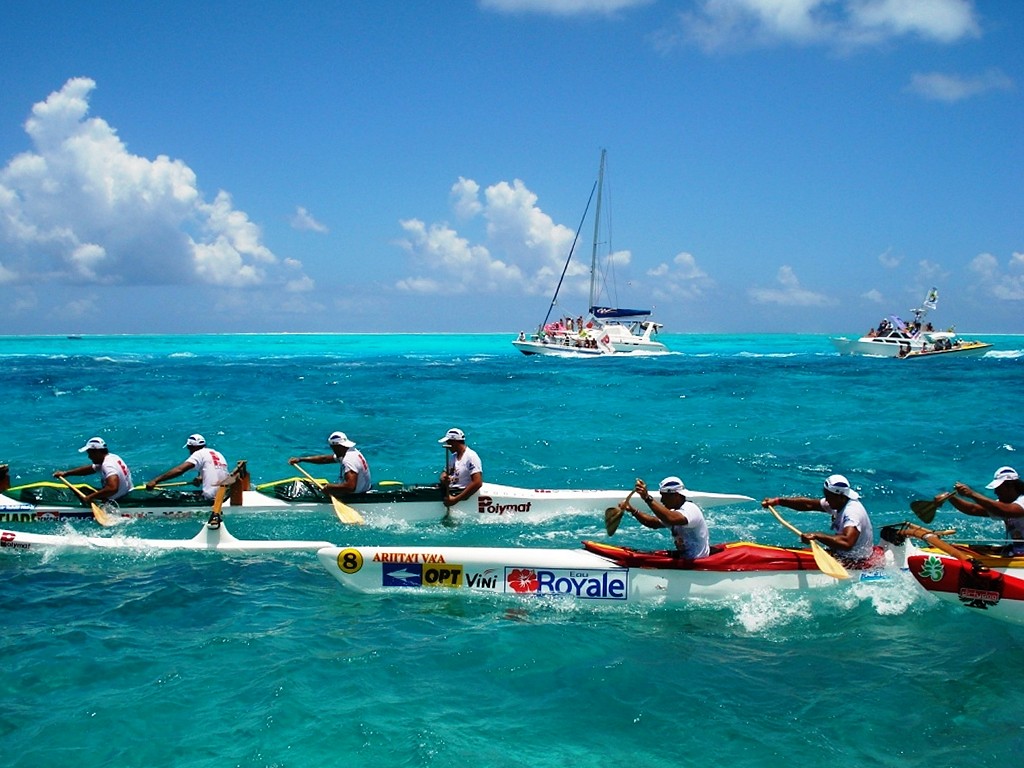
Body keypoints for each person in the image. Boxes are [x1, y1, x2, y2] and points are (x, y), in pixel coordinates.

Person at [761, 473, 876, 565]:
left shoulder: (852, 512)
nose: (826, 500)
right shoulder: (838, 502)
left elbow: (847, 542)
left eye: (829, 497)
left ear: (840, 496)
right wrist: (778, 501)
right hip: (839, 554)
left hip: (856, 561)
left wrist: (817, 536)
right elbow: (809, 505)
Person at [620, 476, 710, 559]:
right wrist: (633, 510)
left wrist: (647, 498)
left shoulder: (690, 509)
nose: (662, 500)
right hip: (684, 558)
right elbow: (653, 523)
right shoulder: (675, 511)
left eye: (664, 496)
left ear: (675, 495)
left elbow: (671, 519)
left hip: (698, 562)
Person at [945, 466, 1024, 555]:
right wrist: (949, 497)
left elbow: (1010, 511)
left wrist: (972, 494)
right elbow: (973, 509)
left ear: (1010, 485)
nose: (995, 492)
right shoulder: (1003, 505)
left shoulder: (1021, 501)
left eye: (998, 488)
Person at [145, 434, 230, 500]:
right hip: (226, 494)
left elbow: (179, 470)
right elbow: (216, 471)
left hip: (212, 498)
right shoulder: (217, 454)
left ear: (192, 447)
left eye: (189, 448)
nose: (189, 451)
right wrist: (201, 478)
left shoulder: (198, 453)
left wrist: (155, 481)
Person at [290, 431, 371, 497]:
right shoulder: (351, 451)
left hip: (355, 494)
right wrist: (301, 459)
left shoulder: (348, 460)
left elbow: (350, 487)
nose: (332, 450)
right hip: (363, 488)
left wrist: (329, 487)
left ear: (338, 446)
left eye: (333, 448)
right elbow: (324, 459)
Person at [53, 437, 133, 503]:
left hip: (116, 500)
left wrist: (90, 497)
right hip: (125, 493)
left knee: (81, 494)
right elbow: (91, 469)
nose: (89, 457)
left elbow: (112, 488)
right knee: (83, 490)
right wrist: (66, 473)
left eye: (90, 453)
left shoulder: (108, 465)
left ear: (97, 452)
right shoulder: (112, 457)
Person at [438, 427, 483, 508]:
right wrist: (443, 478)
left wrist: (455, 500)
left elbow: (477, 483)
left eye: (448, 442)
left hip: (459, 493)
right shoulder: (453, 457)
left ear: (454, 442)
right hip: (452, 490)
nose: (447, 446)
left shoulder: (471, 457)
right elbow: (444, 473)